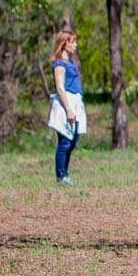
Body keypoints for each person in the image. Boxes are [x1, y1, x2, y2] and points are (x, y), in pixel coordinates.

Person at [47, 28, 86, 185]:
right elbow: (60, 87)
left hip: (75, 103)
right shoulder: (60, 64)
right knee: (65, 141)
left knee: (73, 140)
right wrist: (68, 109)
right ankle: (61, 176)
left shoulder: (70, 63)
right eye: (73, 42)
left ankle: (65, 174)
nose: (75, 45)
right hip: (66, 103)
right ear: (64, 44)